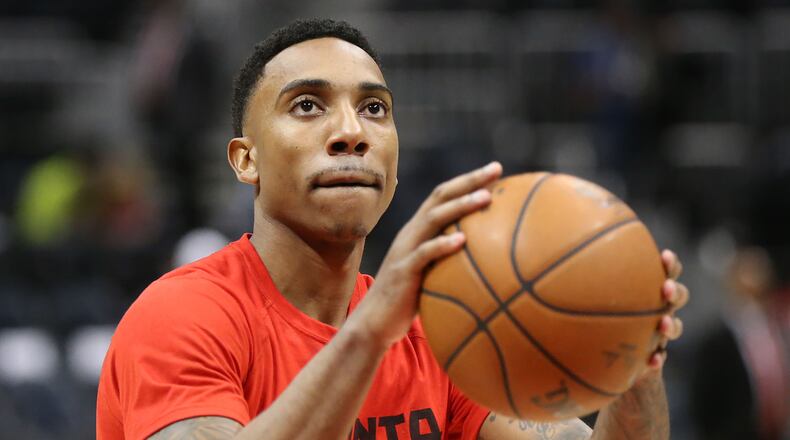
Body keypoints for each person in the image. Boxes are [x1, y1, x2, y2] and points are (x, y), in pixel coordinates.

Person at [96, 18, 689, 440]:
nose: (351, 131)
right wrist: (369, 332)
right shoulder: (182, 315)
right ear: (246, 160)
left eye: (374, 108)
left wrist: (632, 367)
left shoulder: (439, 334)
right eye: (307, 105)